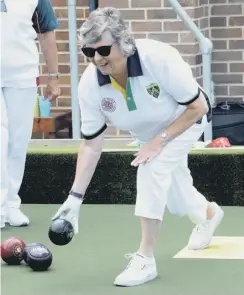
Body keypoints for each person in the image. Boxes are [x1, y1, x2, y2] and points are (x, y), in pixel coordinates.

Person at [52, 7, 224, 287]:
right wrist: (74, 199)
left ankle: (145, 260)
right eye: (89, 52)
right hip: (149, 134)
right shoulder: (90, 86)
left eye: (104, 49)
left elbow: (198, 106)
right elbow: (92, 145)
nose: (97, 58)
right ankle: (209, 214)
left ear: (124, 43)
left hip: (186, 120)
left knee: (151, 167)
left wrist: (159, 142)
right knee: (177, 196)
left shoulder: (159, 58)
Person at [1, 0, 61, 228]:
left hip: (22, 73)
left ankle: (11, 205)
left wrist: (53, 77)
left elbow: (47, 33)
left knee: (18, 140)